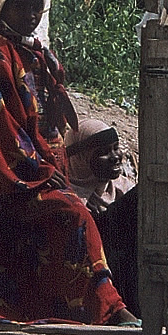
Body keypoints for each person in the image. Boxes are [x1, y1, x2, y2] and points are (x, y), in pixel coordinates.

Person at [0, 0, 140, 326]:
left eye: (35, 7)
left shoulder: (39, 55)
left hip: (48, 170)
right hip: (21, 176)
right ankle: (110, 309)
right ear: (0, 8)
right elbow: (5, 123)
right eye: (19, 6)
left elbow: (51, 125)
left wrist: (55, 167)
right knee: (74, 213)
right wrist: (37, 171)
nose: (30, 15)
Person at [65, 119, 140, 316]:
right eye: (103, 152)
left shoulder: (124, 189)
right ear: (80, 158)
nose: (115, 157)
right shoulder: (70, 200)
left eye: (116, 148)